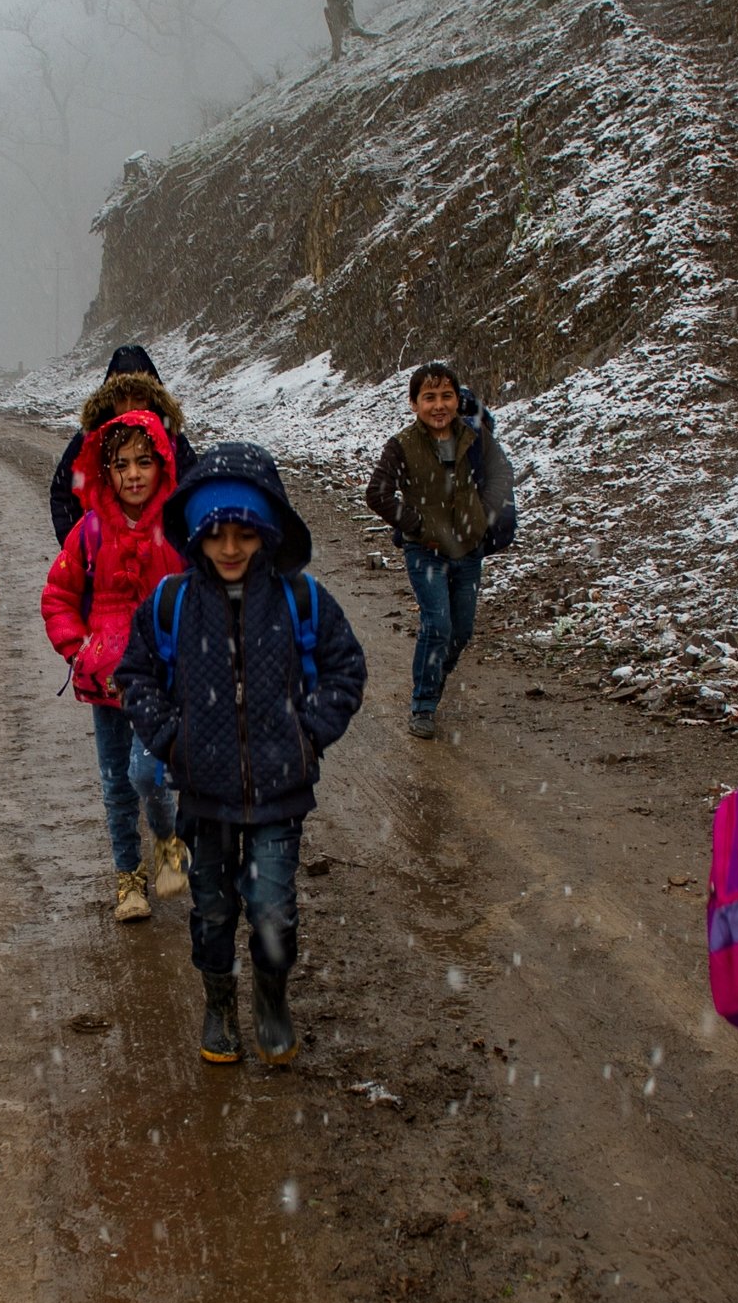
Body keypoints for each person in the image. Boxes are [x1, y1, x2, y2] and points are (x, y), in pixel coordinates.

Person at [115, 444, 367, 1068]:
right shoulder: (170, 604)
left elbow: (345, 668)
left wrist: (307, 734)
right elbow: (136, 675)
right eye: (217, 535)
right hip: (204, 795)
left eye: (245, 535)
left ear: (268, 534)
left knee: (274, 909)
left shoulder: (299, 599)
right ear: (197, 537)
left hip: (281, 794)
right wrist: (173, 739)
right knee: (214, 911)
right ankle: (218, 1002)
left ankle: (272, 999)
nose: (230, 549)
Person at [41, 409, 191, 922]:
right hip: (104, 681)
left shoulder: (178, 531)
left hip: (160, 680)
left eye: (143, 462)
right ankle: (129, 880)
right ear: (107, 471)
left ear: (162, 464)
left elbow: (202, 597)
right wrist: (78, 648)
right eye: (122, 464)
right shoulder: (89, 532)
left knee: (146, 771)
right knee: (115, 783)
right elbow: (59, 595)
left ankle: (169, 840)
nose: (133, 474)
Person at [363, 361, 515, 739]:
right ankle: (424, 704)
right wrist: (418, 527)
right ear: (414, 404)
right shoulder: (403, 445)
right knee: (438, 624)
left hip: (468, 550)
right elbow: (377, 493)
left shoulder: (474, 438)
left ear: (456, 400)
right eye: (428, 397)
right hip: (425, 552)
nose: (439, 405)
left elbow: (501, 474)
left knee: (461, 631)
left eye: (446, 395)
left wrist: (481, 518)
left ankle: (435, 675)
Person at [46, 344, 196, 540]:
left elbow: (193, 495)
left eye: (138, 397)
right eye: (120, 398)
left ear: (152, 399)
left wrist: (178, 549)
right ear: (109, 400)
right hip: (104, 558)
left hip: (162, 558)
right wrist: (79, 547)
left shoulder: (172, 441)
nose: (129, 407)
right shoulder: (90, 440)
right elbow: (63, 493)